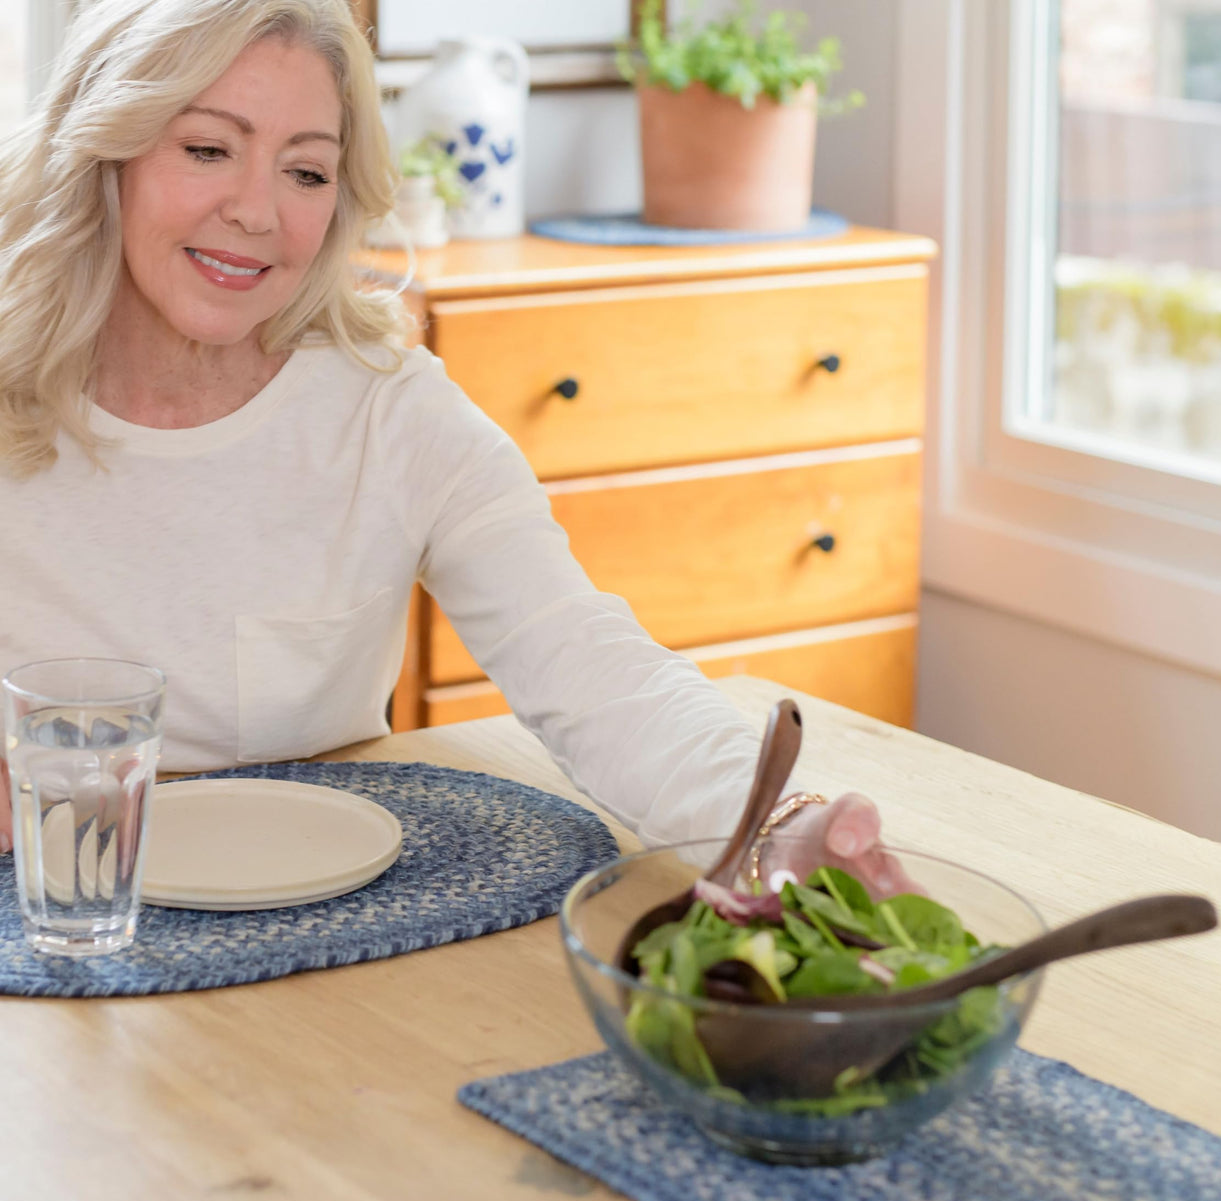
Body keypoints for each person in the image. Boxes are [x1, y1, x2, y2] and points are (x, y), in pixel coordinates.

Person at [0, 0, 900, 893]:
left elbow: (582, 656)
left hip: (319, 923)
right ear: (101, 151)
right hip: (50, 914)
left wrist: (770, 824)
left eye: (307, 172)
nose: (257, 211)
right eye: (206, 150)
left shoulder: (388, 410)